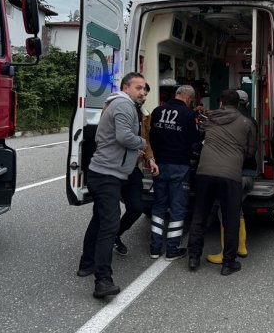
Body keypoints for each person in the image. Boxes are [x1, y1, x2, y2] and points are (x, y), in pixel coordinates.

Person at [78, 72, 148, 298]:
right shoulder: (124, 106)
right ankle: (103, 280)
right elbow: (124, 137)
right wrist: (142, 143)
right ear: (126, 87)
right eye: (138, 88)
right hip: (107, 174)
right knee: (108, 225)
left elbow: (104, 138)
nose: (143, 92)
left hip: (107, 171)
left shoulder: (115, 104)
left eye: (145, 89)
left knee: (100, 219)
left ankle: (86, 263)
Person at [187, 89, 257, 276]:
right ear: (239, 104)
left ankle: (193, 258)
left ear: (220, 103)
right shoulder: (246, 122)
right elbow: (251, 152)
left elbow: (199, 137)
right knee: (230, 218)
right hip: (230, 174)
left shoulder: (209, 118)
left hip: (205, 172)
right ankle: (228, 263)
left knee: (199, 216)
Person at [149, 85, 200, 261]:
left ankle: (154, 248)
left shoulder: (157, 111)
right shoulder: (189, 115)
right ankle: (172, 249)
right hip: (179, 166)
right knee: (178, 209)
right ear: (189, 98)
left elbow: (151, 136)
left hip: (159, 165)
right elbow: (195, 142)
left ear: (177, 94)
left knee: (158, 206)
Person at [206, 89, 256, 264]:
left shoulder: (219, 120)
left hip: (233, 173)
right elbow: (251, 152)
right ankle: (241, 246)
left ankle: (227, 252)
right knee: (236, 209)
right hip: (248, 174)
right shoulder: (251, 121)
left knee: (225, 210)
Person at [114, 83, 158, 256]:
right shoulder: (115, 108)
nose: (143, 96)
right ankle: (95, 253)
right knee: (107, 212)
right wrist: (136, 146)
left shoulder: (145, 115)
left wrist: (150, 158)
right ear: (127, 90)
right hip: (114, 169)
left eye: (145, 93)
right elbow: (113, 137)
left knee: (136, 208)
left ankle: (116, 234)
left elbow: (145, 139)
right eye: (140, 91)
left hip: (132, 168)